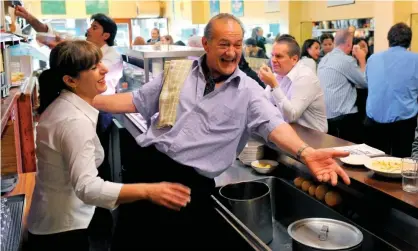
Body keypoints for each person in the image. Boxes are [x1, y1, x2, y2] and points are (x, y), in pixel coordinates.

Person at [93, 13, 350, 250]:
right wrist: (85, 99)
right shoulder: (178, 71)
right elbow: (135, 100)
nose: (232, 52)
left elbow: (275, 125)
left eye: (237, 45)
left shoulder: (249, 91)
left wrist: (305, 152)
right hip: (147, 166)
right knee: (128, 241)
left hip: (188, 185)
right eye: (224, 44)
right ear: (206, 44)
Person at [27, 40, 191, 251]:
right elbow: (88, 187)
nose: (104, 69)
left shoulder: (65, 105)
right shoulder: (73, 122)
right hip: (61, 231)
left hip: (54, 219)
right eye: (94, 67)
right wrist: (149, 191)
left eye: (100, 63)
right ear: (70, 80)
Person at [365, 23, 418, 157]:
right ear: (409, 41)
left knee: (374, 163)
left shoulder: (372, 59)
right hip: (403, 124)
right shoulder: (416, 60)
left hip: (373, 122)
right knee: (400, 164)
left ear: (388, 39)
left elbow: (368, 83)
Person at [259, 37, 327, 132]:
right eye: (272, 55)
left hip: (313, 137)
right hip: (291, 133)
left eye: (278, 56)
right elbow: (263, 104)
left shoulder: (305, 76)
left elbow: (292, 116)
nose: (273, 60)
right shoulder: (278, 75)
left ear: (294, 59)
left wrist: (273, 85)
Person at [318, 29, 367, 143]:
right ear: (349, 44)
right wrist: (362, 59)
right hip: (344, 118)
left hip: (327, 117)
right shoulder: (346, 60)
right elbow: (364, 82)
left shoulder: (324, 59)